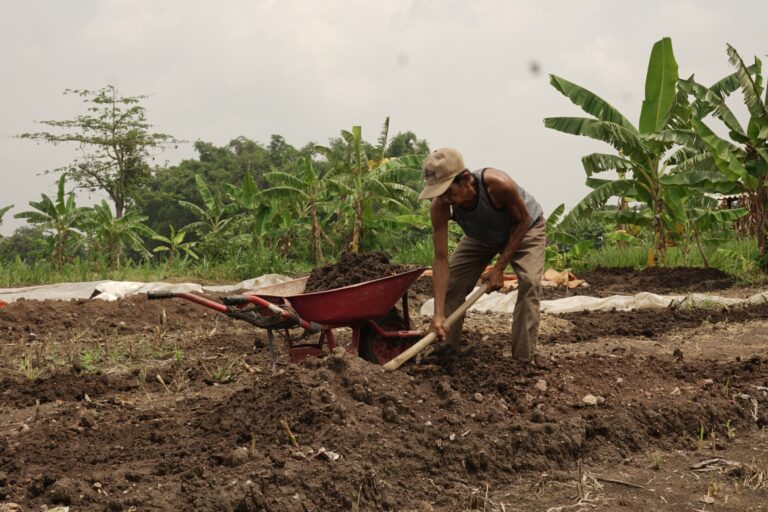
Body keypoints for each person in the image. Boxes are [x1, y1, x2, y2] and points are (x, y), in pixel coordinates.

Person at [419, 147, 546, 362]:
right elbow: (440, 259)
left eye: (448, 191)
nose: (444, 198)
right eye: (439, 193)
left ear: (465, 179)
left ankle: (522, 359)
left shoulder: (498, 184)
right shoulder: (441, 205)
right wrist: (438, 314)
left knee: (530, 282)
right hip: (482, 235)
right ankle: (447, 353)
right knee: (453, 285)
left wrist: (499, 267)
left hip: (524, 228)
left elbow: (523, 220)